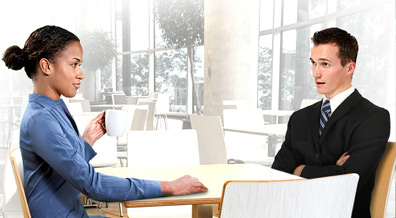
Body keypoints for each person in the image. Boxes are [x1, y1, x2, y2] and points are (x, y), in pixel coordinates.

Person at [2, 25, 208, 218]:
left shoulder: (51, 109)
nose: (80, 74)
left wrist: (87, 139)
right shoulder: (41, 120)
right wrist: (168, 187)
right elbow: (91, 184)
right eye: (74, 64)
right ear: (46, 66)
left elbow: (67, 168)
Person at [272, 27, 390, 218]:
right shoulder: (300, 118)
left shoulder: (373, 117)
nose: (315, 73)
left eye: (325, 64)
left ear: (350, 68)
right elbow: (277, 175)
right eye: (313, 63)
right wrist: (335, 170)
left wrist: (300, 169)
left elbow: (350, 182)